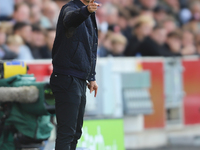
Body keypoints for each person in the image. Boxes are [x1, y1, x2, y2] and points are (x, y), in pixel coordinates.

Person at [50, 0, 99, 150]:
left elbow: (90, 48)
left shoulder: (87, 12)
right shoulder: (71, 8)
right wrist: (85, 11)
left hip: (78, 78)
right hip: (66, 77)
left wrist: (91, 76)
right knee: (67, 133)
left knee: (75, 132)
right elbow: (69, 19)